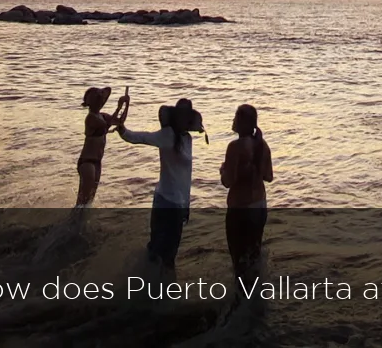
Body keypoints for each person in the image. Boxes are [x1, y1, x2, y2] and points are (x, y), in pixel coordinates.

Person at [118, 98, 206, 270]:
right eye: (181, 116)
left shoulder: (187, 139)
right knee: (159, 251)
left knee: (168, 253)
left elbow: (185, 178)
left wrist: (186, 206)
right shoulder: (167, 135)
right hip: (165, 201)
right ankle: (147, 284)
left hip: (177, 205)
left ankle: (159, 286)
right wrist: (123, 130)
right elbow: (140, 137)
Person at [220, 104, 274, 280]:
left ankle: (241, 302)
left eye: (235, 117)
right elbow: (269, 176)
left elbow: (227, 182)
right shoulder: (262, 145)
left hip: (240, 210)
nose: (233, 120)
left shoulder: (234, 147)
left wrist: (222, 170)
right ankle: (256, 299)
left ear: (242, 123)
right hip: (259, 206)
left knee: (239, 261)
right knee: (254, 255)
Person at [76, 86, 129, 205]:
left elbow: (120, 121)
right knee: (82, 202)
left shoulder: (102, 115)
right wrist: (119, 106)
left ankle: (80, 223)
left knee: (89, 201)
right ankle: (73, 222)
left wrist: (126, 104)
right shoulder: (91, 118)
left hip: (97, 162)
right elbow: (106, 126)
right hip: (87, 162)